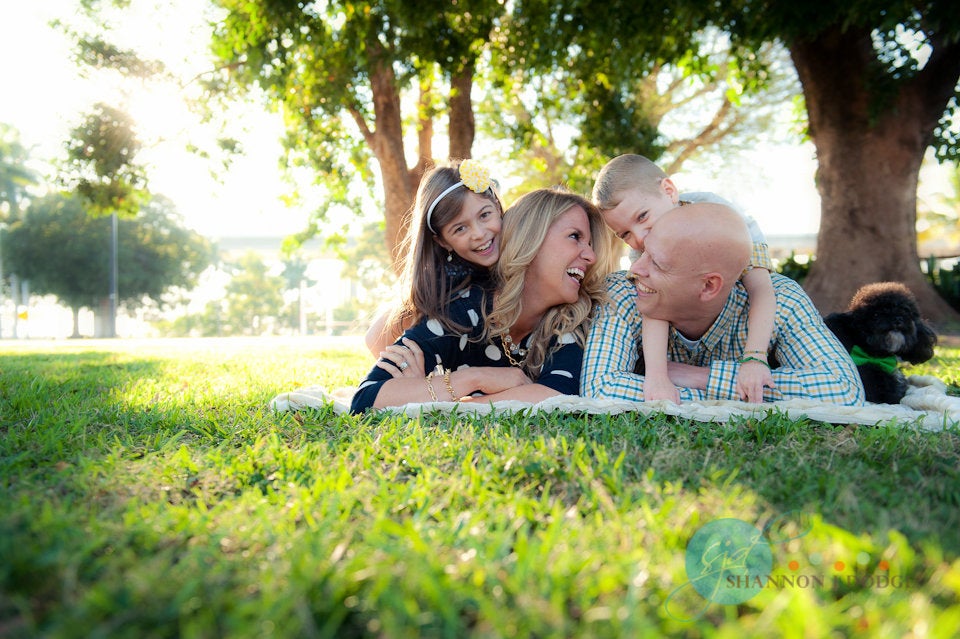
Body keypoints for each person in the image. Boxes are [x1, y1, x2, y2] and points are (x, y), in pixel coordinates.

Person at [351, 186, 617, 413]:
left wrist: (446, 398)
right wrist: (474, 378)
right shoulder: (463, 312)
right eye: (575, 237)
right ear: (531, 238)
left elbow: (556, 396)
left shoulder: (571, 319)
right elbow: (366, 399)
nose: (591, 257)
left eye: (590, 244)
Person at [580, 201, 865, 405]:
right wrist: (739, 393)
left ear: (708, 286)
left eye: (657, 263)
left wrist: (699, 378)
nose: (635, 270)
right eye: (642, 254)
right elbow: (601, 389)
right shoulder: (624, 291)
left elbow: (843, 390)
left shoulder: (781, 299)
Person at [592, 153, 775, 403]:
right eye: (624, 234)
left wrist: (755, 357)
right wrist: (657, 376)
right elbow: (654, 308)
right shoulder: (640, 248)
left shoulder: (721, 215)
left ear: (668, 191)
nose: (640, 238)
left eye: (642, 216)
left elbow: (761, 289)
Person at [364, 159, 504, 358]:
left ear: (497, 207)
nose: (479, 233)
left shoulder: (525, 251)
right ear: (443, 241)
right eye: (460, 228)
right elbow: (375, 340)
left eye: (484, 215)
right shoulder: (444, 284)